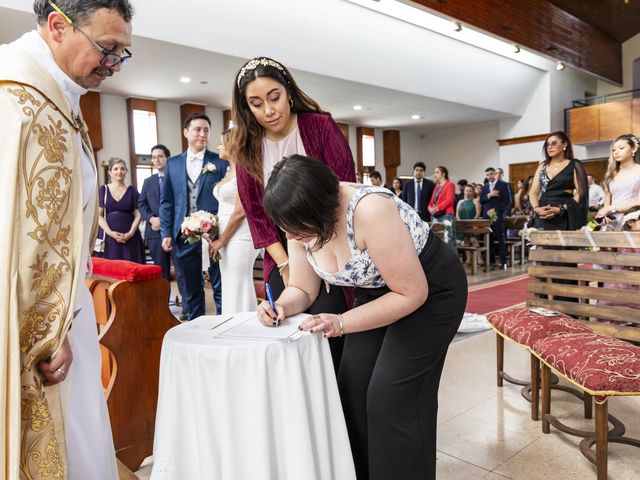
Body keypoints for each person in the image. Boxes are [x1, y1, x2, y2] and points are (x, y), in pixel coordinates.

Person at [258, 155, 467, 480]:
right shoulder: (298, 222)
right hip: (378, 292)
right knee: (352, 388)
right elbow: (303, 287)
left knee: (391, 396)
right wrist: (281, 306)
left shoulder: (369, 209)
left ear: (321, 208)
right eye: (288, 230)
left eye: (299, 230)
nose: (294, 238)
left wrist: (341, 322)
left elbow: (411, 293)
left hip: (429, 290)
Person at [0, 0, 133, 478]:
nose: (114, 64)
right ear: (58, 25)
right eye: (108, 49)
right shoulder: (15, 102)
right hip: (29, 318)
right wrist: (42, 332)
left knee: (82, 437)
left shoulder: (60, 99)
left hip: (64, 303)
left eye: (123, 53)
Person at [230, 56, 356, 369]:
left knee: (327, 309)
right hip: (282, 247)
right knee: (283, 314)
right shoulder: (247, 146)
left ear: (288, 91)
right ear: (247, 108)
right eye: (256, 104)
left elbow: (343, 189)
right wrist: (286, 265)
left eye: (274, 98)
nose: (269, 111)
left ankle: (336, 392)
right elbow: (257, 216)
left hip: (332, 240)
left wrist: (325, 258)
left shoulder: (319, 126)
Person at [160, 113, 229, 319]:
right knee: (191, 287)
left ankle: (222, 324)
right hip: (183, 235)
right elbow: (167, 201)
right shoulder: (172, 164)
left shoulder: (219, 162)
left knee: (220, 285)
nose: (202, 134)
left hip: (214, 235)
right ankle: (196, 327)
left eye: (206, 130)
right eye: (197, 129)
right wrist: (166, 232)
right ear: (186, 132)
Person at [210, 129, 260, 314]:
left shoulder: (245, 170)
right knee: (229, 283)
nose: (218, 147)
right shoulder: (230, 170)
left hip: (240, 235)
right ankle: (230, 323)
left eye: (222, 143)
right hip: (226, 235)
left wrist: (222, 240)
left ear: (233, 145)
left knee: (240, 283)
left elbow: (240, 211)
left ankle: (244, 327)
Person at [529, 131, 588, 231]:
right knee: (542, 245)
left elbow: (581, 192)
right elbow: (533, 193)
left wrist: (561, 209)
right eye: (547, 144)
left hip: (565, 214)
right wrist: (537, 209)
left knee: (563, 245)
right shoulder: (542, 166)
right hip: (542, 214)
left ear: (565, 144)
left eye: (554, 143)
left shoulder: (574, 164)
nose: (549, 147)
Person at [98, 157, 145, 263]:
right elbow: (99, 215)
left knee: (132, 267)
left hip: (130, 238)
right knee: (111, 269)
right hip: (109, 237)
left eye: (122, 169)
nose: (119, 171)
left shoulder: (132, 190)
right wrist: (110, 233)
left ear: (126, 171)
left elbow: (138, 214)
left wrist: (131, 233)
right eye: (115, 169)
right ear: (110, 172)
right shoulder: (103, 190)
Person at [138, 145, 172, 283]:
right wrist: (151, 219)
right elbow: (141, 203)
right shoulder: (148, 182)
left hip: (175, 230)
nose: (156, 160)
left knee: (182, 272)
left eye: (160, 156)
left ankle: (187, 305)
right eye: (153, 157)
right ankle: (163, 304)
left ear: (167, 158)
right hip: (154, 232)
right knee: (161, 272)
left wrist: (163, 221)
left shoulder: (176, 179)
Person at [596, 134, 640, 231]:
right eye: (614, 150)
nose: (616, 152)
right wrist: (604, 215)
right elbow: (606, 205)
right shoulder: (611, 175)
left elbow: (639, 201)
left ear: (633, 149)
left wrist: (612, 208)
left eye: (621, 148)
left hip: (633, 220)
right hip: (612, 222)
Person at [480, 167, 511, 268]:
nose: (489, 176)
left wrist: (495, 209)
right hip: (487, 216)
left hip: (497, 215)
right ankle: (491, 260)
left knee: (500, 238)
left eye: (491, 174)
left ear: (495, 174)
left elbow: (507, 201)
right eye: (487, 175)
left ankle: (503, 262)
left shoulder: (503, 185)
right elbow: (481, 200)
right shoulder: (485, 187)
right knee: (489, 239)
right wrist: (489, 195)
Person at [428, 165, 456, 249]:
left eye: (437, 172)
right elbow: (431, 201)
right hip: (436, 216)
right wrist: (429, 208)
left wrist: (436, 208)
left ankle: (450, 261)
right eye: (434, 172)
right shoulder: (437, 186)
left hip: (446, 215)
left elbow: (449, 200)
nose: (434, 174)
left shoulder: (450, 185)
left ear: (443, 174)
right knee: (436, 239)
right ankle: (440, 260)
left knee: (448, 238)